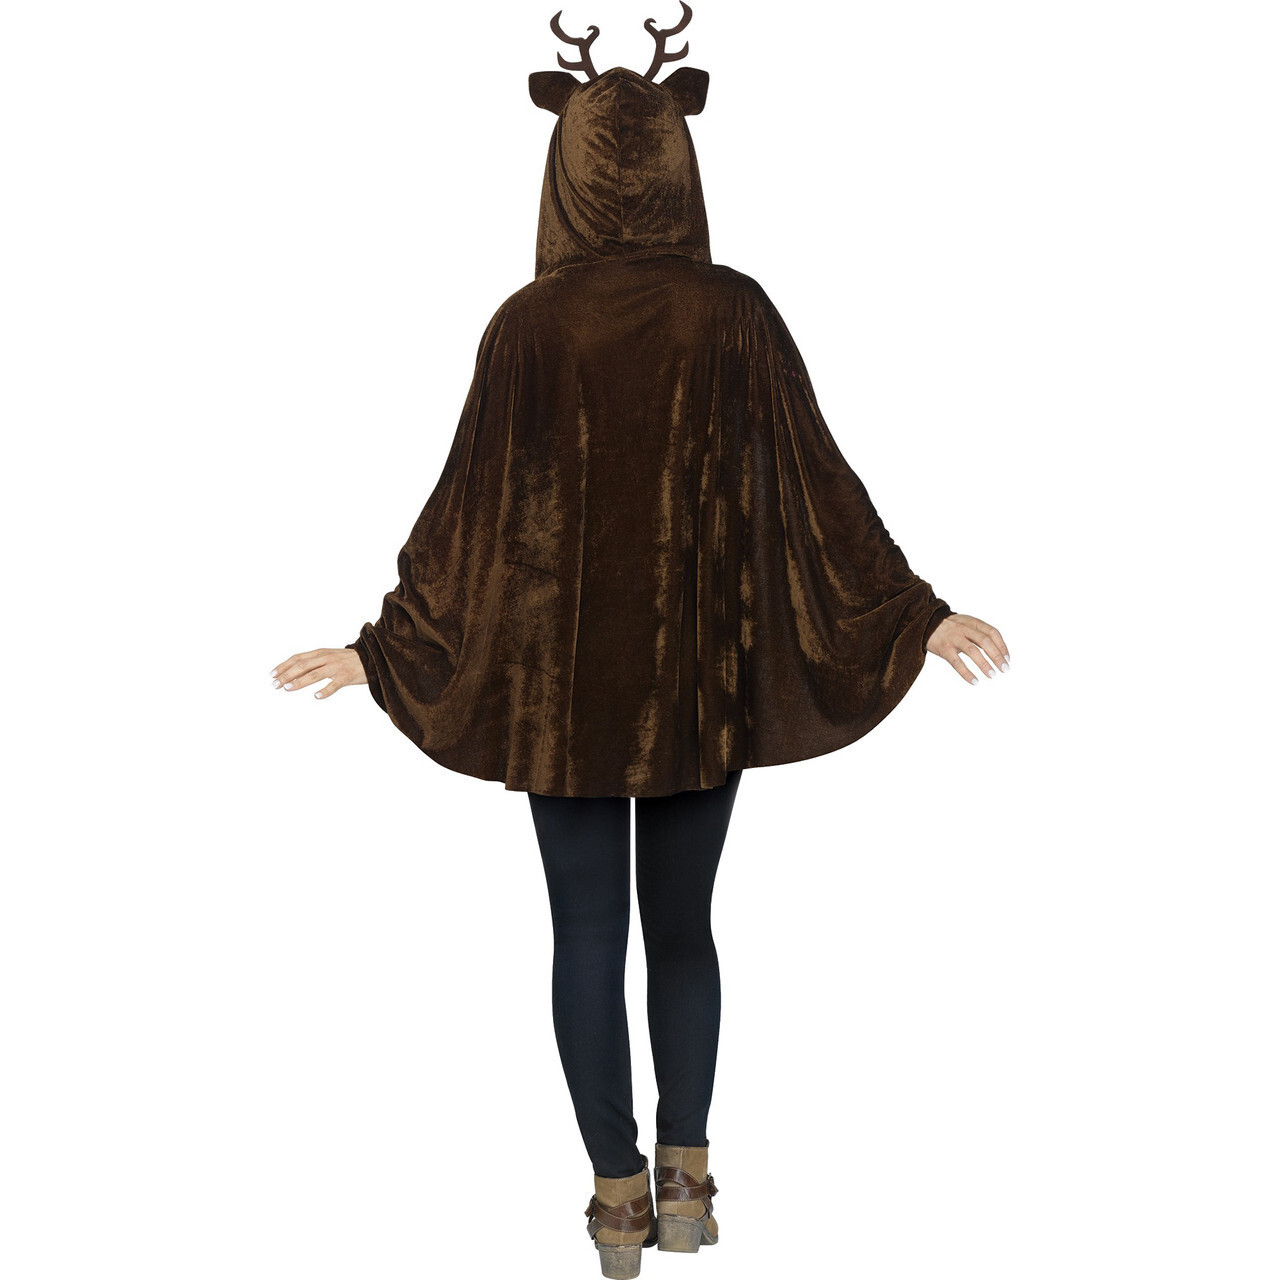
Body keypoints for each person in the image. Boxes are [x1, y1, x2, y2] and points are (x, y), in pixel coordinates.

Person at [270, 7, 1008, 1275]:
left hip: (558, 696)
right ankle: (686, 1182)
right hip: (691, 683)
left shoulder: (525, 322)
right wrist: (906, 609)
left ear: (561, 165)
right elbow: (815, 483)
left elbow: (465, 514)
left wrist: (384, 645)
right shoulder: (733, 311)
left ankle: (615, 1197)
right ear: (679, 160)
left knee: (583, 937)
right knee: (682, 928)